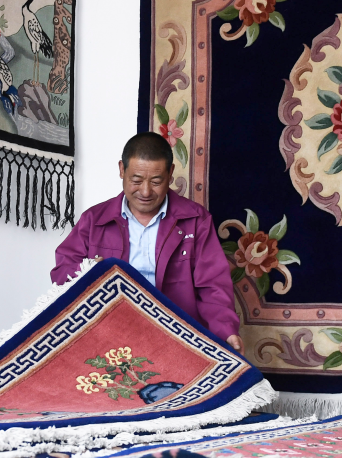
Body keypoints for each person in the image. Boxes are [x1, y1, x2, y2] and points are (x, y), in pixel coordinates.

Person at [51, 133, 243, 352]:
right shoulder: (94, 220)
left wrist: (226, 331)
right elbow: (62, 272)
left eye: (156, 182)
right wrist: (90, 271)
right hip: (108, 334)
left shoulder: (196, 220)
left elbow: (213, 285)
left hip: (176, 336)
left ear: (170, 173)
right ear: (122, 169)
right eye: (136, 180)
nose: (145, 191)